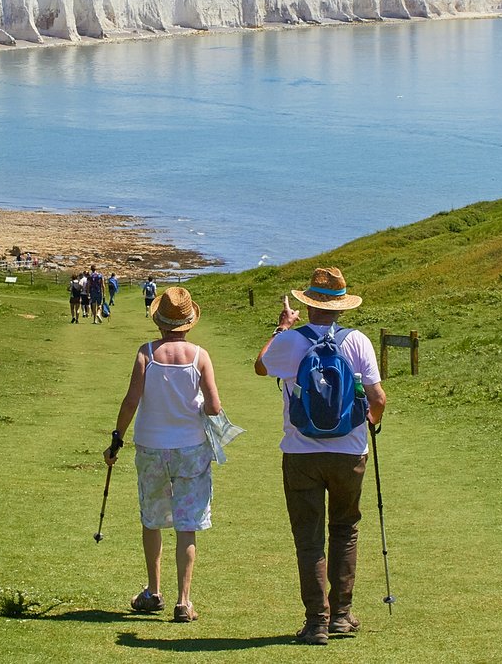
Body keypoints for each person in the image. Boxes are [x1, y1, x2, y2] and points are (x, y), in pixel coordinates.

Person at [254, 265, 386, 646]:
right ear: (341, 308)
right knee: (345, 531)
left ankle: (317, 623)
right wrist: (367, 425)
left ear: (307, 306)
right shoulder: (357, 341)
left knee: (309, 538)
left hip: (301, 452)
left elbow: (260, 366)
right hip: (349, 452)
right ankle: (342, 615)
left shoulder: (291, 341)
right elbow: (377, 399)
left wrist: (281, 327)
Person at [105, 287, 223, 623]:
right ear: (189, 323)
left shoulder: (146, 353)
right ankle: (183, 601)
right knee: (187, 525)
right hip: (190, 447)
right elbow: (214, 407)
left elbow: (131, 401)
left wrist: (116, 439)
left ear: (160, 322)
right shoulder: (200, 356)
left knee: (152, 519)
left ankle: (154, 591)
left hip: (151, 446)